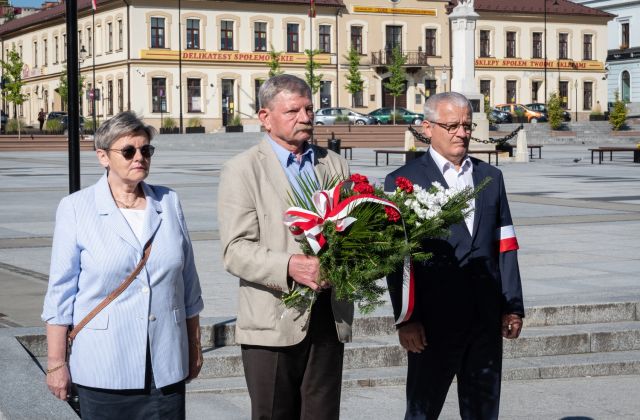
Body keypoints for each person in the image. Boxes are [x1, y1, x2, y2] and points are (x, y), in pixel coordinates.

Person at [42, 111, 204, 419]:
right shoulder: (76, 208)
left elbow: (188, 284)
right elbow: (60, 293)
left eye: (146, 150)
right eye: (128, 151)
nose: (139, 157)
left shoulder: (168, 202)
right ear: (103, 156)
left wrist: (193, 346)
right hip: (104, 367)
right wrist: (56, 362)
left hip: (164, 365)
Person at [218, 74, 353, 420]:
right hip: (271, 319)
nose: (306, 117)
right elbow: (235, 249)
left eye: (309, 108)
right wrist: (290, 266)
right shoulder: (242, 170)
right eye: (293, 110)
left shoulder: (334, 164)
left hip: (327, 316)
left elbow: (352, 232)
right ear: (265, 118)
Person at [385, 92, 524, 420]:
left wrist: (512, 306)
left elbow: (505, 245)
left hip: (485, 323)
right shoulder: (403, 182)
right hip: (431, 326)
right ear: (427, 128)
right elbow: (396, 260)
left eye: (466, 125)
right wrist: (406, 319)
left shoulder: (491, 178)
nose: (462, 132)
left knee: (483, 412)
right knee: (422, 411)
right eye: (452, 125)